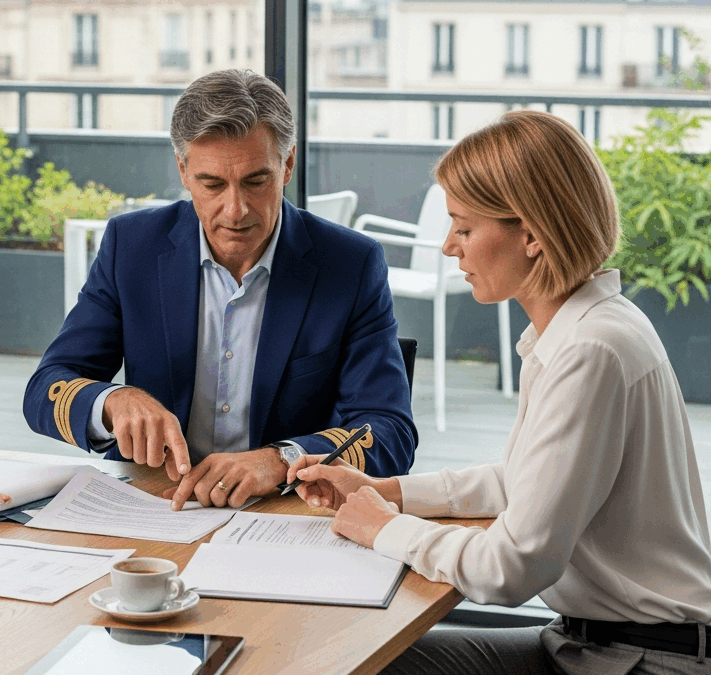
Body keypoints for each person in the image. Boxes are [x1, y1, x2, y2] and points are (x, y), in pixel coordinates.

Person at [287, 109, 711, 674]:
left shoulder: (590, 350)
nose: (447, 248)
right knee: (356, 657)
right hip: (591, 643)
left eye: (463, 228)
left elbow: (513, 568)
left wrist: (385, 528)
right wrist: (384, 491)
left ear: (532, 234)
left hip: (640, 660)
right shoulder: (582, 328)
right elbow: (522, 481)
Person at [23, 69, 417, 510]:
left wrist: (282, 457)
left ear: (287, 166)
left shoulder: (350, 264)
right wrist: (113, 400)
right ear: (184, 170)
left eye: (256, 181)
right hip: (155, 504)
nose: (236, 210)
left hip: (284, 511)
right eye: (212, 185)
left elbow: (389, 430)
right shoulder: (131, 246)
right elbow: (45, 389)